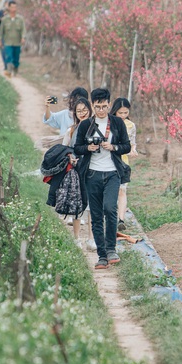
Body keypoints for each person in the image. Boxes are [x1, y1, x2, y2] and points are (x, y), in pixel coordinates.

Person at [74, 88, 131, 269]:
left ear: (109, 104)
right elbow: (77, 148)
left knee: (110, 209)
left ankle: (111, 248)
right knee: (97, 215)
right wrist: (88, 148)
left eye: (104, 106)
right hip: (92, 174)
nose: (101, 110)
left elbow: (127, 146)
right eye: (97, 107)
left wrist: (113, 147)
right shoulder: (85, 125)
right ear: (92, 105)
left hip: (113, 172)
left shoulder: (116, 123)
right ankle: (102, 255)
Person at [63, 97, 93, 248]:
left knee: (93, 205)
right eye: (79, 111)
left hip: (94, 169)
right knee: (77, 204)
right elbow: (65, 148)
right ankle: (76, 238)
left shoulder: (96, 127)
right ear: (75, 113)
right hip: (77, 170)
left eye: (84, 110)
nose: (82, 113)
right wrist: (70, 157)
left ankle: (91, 239)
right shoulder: (72, 130)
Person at [110, 97, 138, 232]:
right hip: (108, 160)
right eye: (120, 113)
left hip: (123, 162)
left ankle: (121, 219)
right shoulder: (109, 123)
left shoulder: (131, 126)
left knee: (122, 190)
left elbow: (132, 143)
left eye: (125, 113)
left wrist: (133, 150)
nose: (122, 116)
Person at [0, 0, 25, 78]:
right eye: (12, 7)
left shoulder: (20, 19)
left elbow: (23, 29)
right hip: (8, 42)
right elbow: (1, 31)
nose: (14, 9)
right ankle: (9, 71)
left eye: (15, 7)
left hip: (17, 42)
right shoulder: (5, 19)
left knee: (16, 58)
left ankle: (15, 69)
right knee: (8, 56)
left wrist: (23, 37)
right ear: (9, 8)